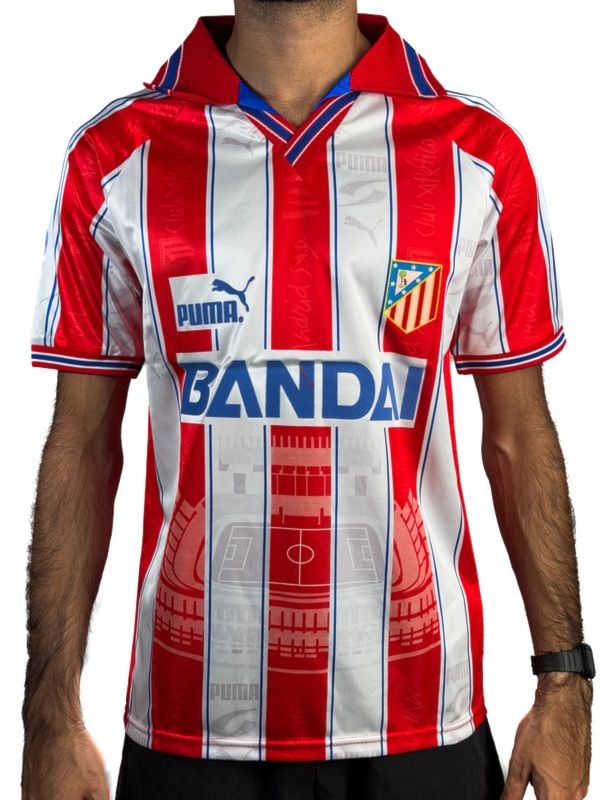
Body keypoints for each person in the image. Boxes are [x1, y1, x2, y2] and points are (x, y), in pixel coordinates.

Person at [22, 0, 593, 798]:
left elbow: (519, 435)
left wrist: (565, 682)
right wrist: (48, 715)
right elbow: (82, 444)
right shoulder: (117, 154)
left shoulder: (475, 152)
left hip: (423, 722)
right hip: (190, 725)